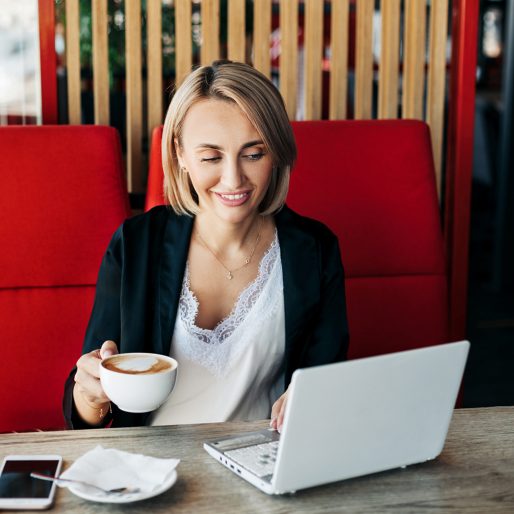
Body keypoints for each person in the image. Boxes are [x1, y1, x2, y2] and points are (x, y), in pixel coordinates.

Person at [63, 60, 349, 431]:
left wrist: (315, 398)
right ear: (180, 154)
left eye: (253, 154)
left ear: (276, 153)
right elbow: (83, 415)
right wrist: (89, 396)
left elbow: (327, 383)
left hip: (260, 465)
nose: (233, 179)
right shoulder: (136, 244)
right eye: (211, 157)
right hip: (150, 470)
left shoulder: (315, 250)